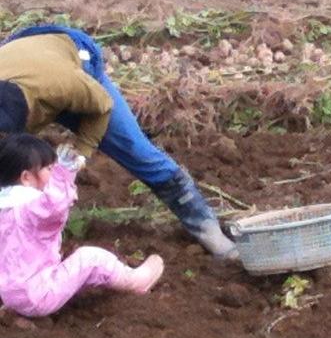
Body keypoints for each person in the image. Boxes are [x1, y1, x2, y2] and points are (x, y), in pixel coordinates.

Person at [0, 24, 237, 259]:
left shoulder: (65, 85)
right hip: (20, 52)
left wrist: (82, 151)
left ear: (28, 117)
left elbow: (102, 106)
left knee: (137, 152)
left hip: (74, 54)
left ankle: (207, 230)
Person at [0, 133, 164, 318]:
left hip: (10, 293)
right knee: (90, 258)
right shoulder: (29, 208)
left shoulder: (5, 205)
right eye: (49, 169)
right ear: (26, 177)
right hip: (38, 295)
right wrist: (63, 174)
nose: (52, 173)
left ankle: (16, 305)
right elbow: (54, 206)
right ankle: (135, 281)